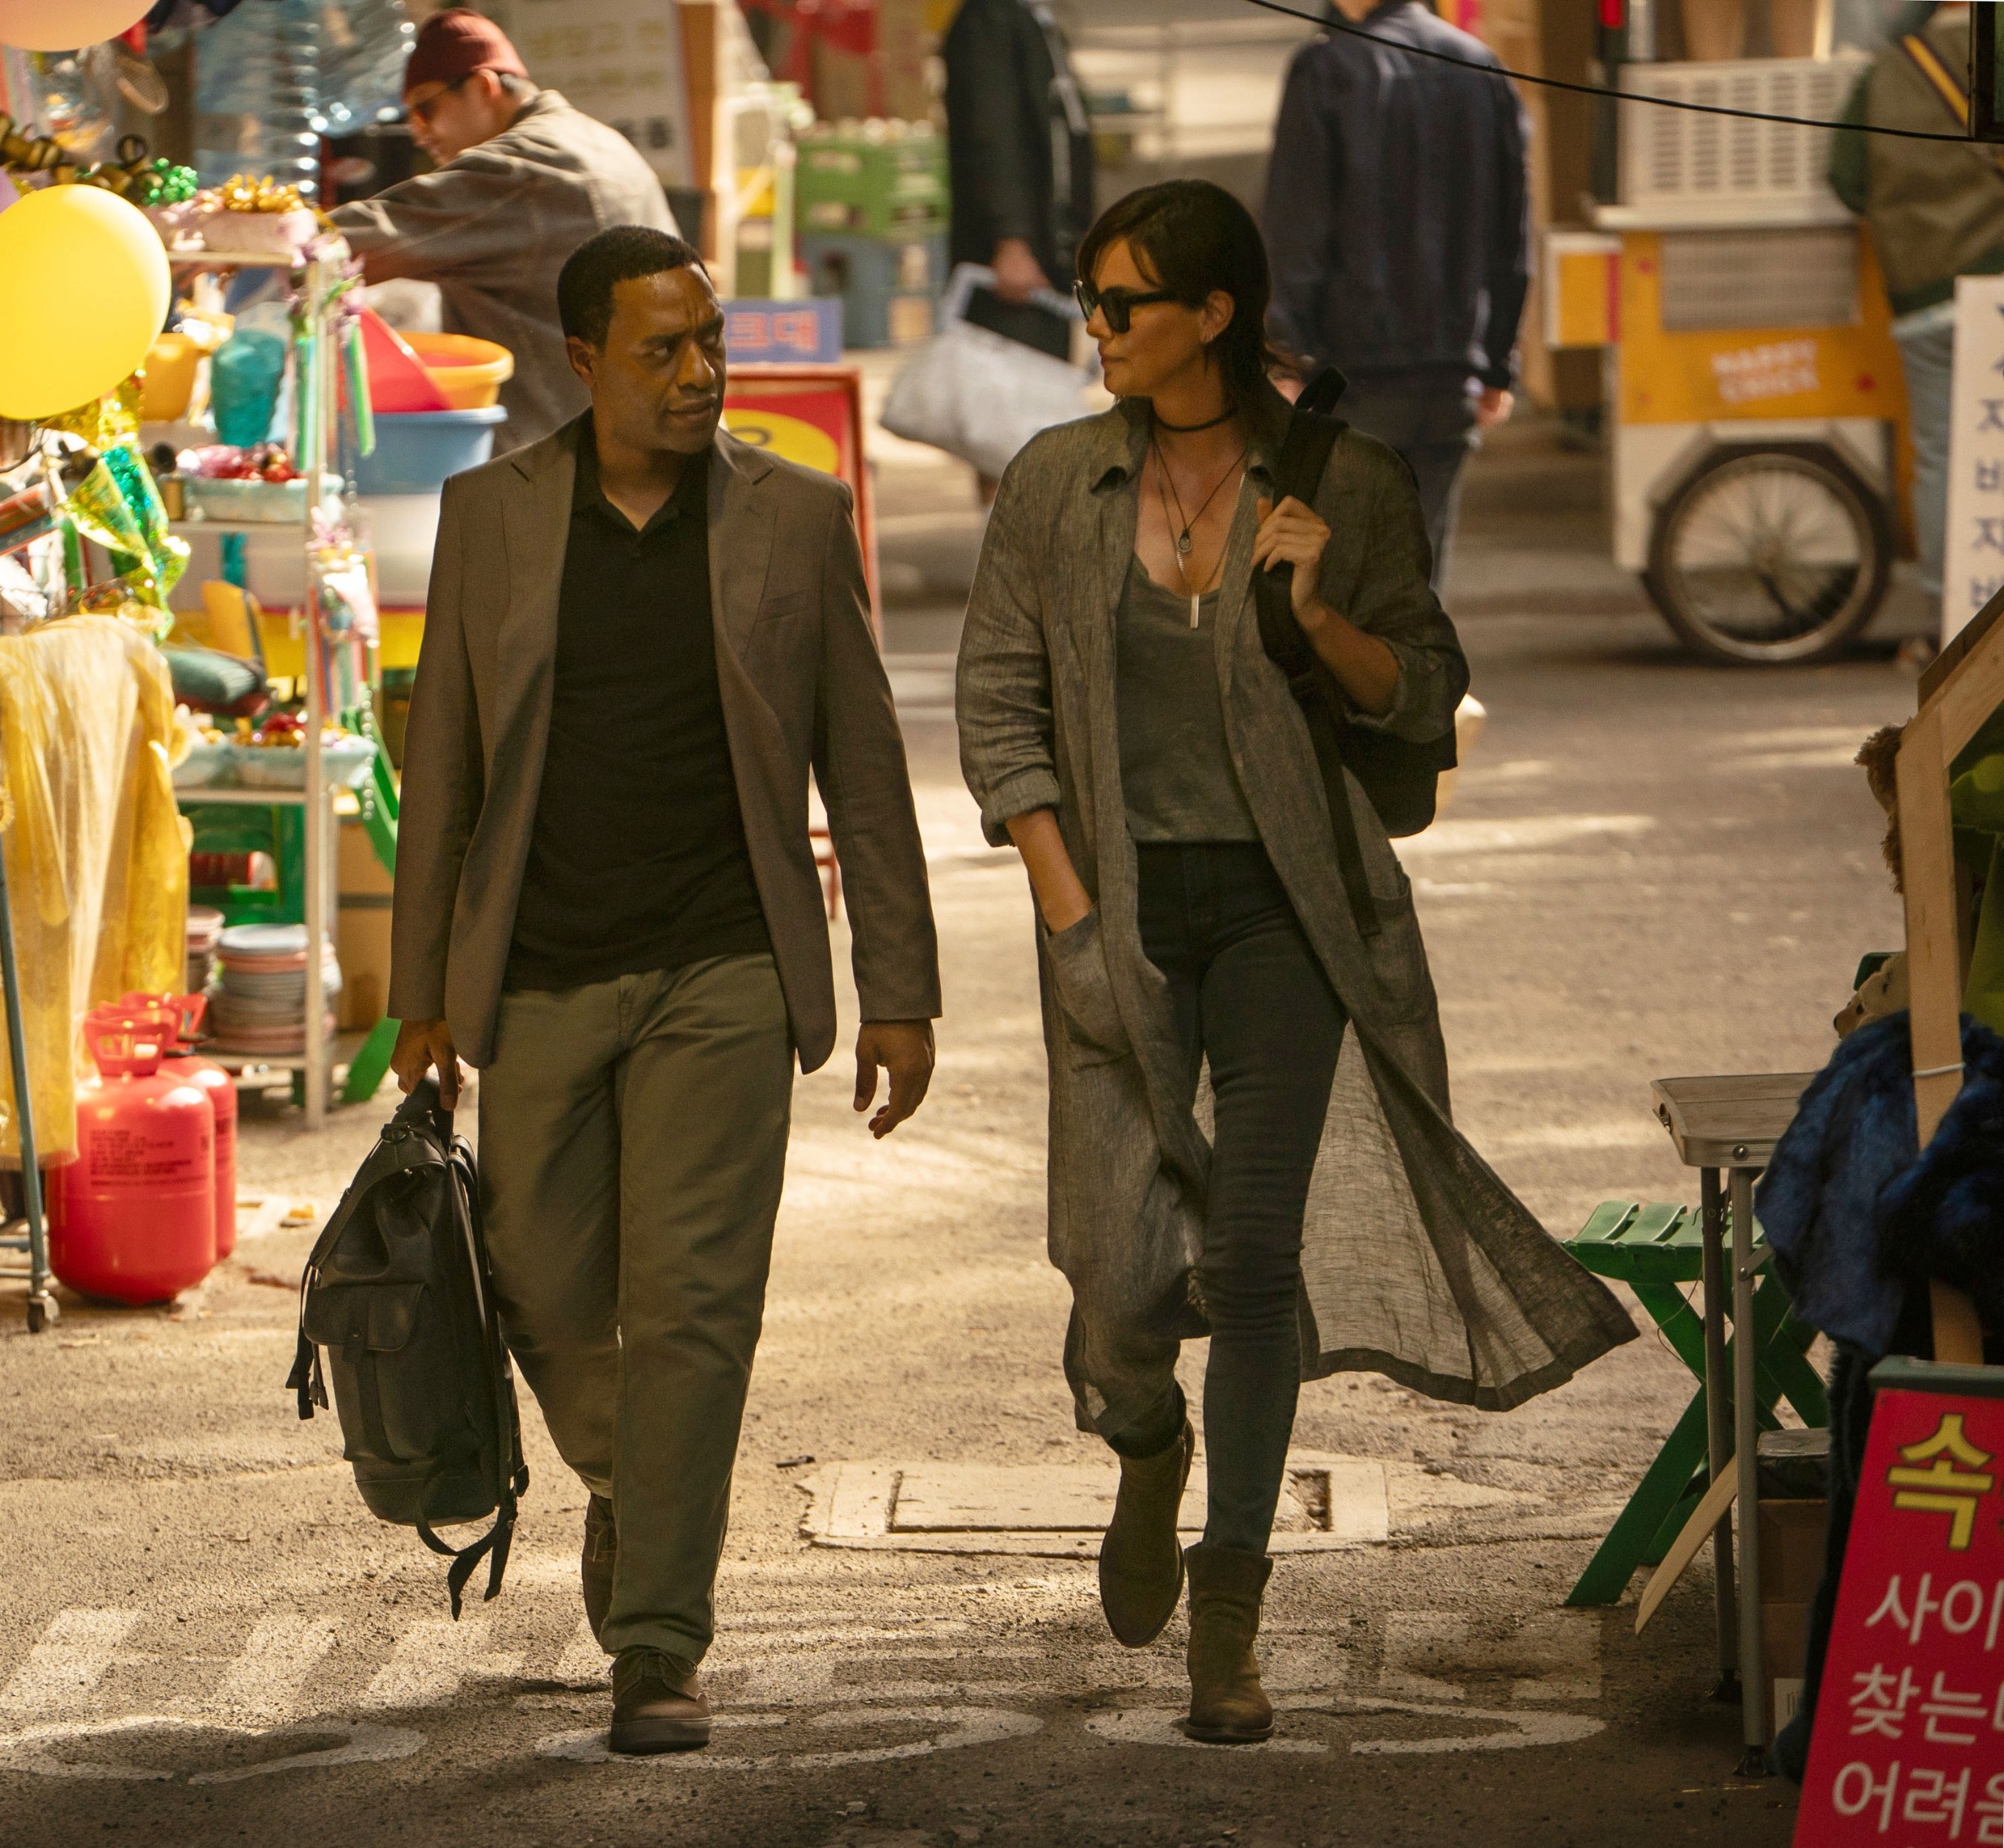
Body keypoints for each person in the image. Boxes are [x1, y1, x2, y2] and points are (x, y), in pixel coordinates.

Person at [953, 180, 1633, 1744]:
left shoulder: (1348, 481)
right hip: (1118, 914)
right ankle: (1145, 1445)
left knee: (1253, 1259)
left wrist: (1317, 612)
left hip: (1288, 917)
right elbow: (999, 705)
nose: (1095, 325)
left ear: (1213, 314)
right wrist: (1070, 912)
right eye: (1092, 298)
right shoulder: (1056, 482)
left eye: (1122, 302)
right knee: (1119, 1275)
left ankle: (1232, 1603)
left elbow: (1422, 693)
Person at [388, 226, 942, 1757]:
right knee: (543, 1292)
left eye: (712, 344)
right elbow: (444, 763)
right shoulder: (492, 515)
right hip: (541, 971)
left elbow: (865, 764)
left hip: (726, 967)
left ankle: (658, 1640)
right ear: (584, 361)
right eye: (664, 350)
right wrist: (421, 990)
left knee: (693, 1309)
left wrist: (898, 986)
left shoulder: (793, 517)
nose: (701, 374)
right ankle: (639, 1486)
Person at [1260, 0, 1530, 588]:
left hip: (1353, 380)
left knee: (1339, 592)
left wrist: (1283, 358)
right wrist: (1498, 365)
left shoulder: (1326, 70)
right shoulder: (1482, 68)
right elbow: (1511, 238)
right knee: (1417, 587)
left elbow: (1297, 229)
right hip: (1452, 380)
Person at [328, 7, 682, 449]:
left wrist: (266, 229)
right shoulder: (601, 142)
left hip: (587, 469)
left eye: (425, 109)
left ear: (483, 87)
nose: (417, 133)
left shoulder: (524, 168)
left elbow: (355, 241)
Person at [1830, 1, 2004, 620]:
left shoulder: (1885, 71)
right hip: (1997, 285)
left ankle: (1950, 615)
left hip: (1921, 298)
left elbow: (1846, 179)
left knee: (1941, 459)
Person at [940, 0, 1095, 364]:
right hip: (1015, 264)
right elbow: (991, 135)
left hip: (1047, 250)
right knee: (1011, 381)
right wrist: (1010, 239)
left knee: (1043, 376)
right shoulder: (989, 18)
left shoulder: (1028, 14)